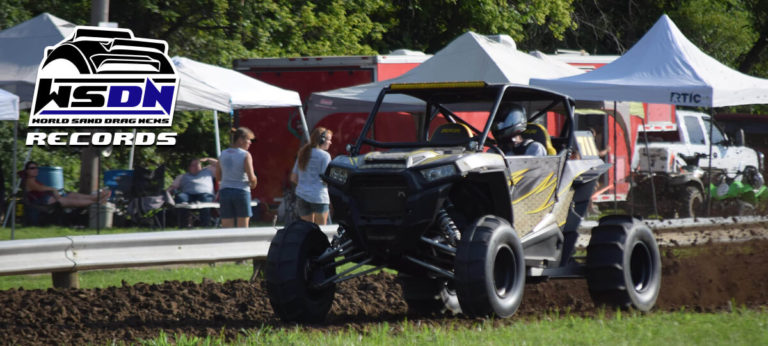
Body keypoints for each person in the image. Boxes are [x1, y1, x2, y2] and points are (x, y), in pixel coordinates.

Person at [215, 127, 258, 228]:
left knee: (227, 227)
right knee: (243, 228)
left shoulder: (223, 154)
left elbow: (218, 177)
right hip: (241, 191)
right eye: (248, 140)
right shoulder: (245, 155)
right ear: (240, 140)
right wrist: (254, 183)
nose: (250, 143)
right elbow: (251, 177)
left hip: (225, 191)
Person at [21, 161, 110, 208]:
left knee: (73, 195)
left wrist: (54, 191)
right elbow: (40, 188)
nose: (35, 170)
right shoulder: (29, 181)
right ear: (27, 170)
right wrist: (53, 189)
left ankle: (95, 197)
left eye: (36, 168)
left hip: (52, 197)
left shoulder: (34, 179)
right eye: (32, 168)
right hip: (45, 201)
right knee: (70, 200)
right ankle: (96, 201)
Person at [291, 127, 333, 225]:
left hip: (302, 195)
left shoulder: (302, 153)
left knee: (307, 230)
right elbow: (325, 179)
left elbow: (293, 177)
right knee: (322, 231)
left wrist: (305, 184)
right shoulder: (325, 156)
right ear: (322, 140)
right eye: (329, 140)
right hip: (319, 197)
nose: (330, 142)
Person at [167, 157, 218, 227]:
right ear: (189, 167)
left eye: (198, 164)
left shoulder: (208, 171)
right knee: (180, 197)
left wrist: (208, 159)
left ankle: (205, 226)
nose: (197, 166)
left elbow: (220, 165)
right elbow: (172, 188)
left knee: (205, 200)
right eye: (193, 165)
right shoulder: (182, 176)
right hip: (188, 196)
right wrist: (165, 194)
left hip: (205, 195)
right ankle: (184, 225)